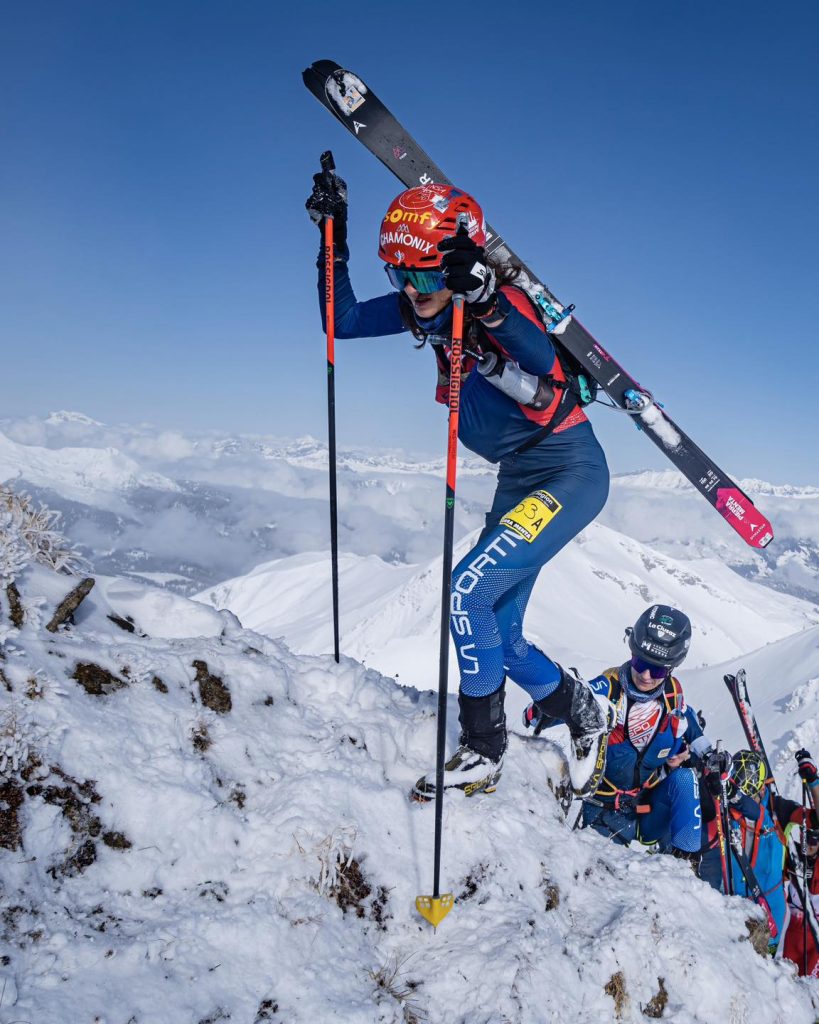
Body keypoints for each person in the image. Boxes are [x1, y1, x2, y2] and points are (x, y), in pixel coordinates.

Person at [306, 167, 614, 800]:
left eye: (424, 275)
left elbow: (541, 358)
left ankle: (483, 749)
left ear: (454, 269)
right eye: (401, 275)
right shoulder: (427, 305)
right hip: (521, 477)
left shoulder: (497, 306)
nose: (413, 290)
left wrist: (487, 302)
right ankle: (582, 710)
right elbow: (340, 320)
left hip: (568, 471)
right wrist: (332, 240)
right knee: (499, 635)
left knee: (468, 587)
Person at [526, 604, 711, 862]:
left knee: (685, 779)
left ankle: (686, 870)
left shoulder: (672, 694)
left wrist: (707, 751)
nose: (646, 675)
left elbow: (687, 717)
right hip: (600, 812)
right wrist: (542, 709)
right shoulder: (607, 689)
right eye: (640, 663)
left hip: (646, 810)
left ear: (671, 669)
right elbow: (573, 700)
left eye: (657, 670)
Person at [699, 747, 819, 955]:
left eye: (753, 795)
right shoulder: (725, 803)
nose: (747, 801)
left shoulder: (778, 809)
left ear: (762, 788)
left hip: (770, 913)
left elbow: (816, 820)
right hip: (729, 907)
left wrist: (814, 781)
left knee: (761, 973)